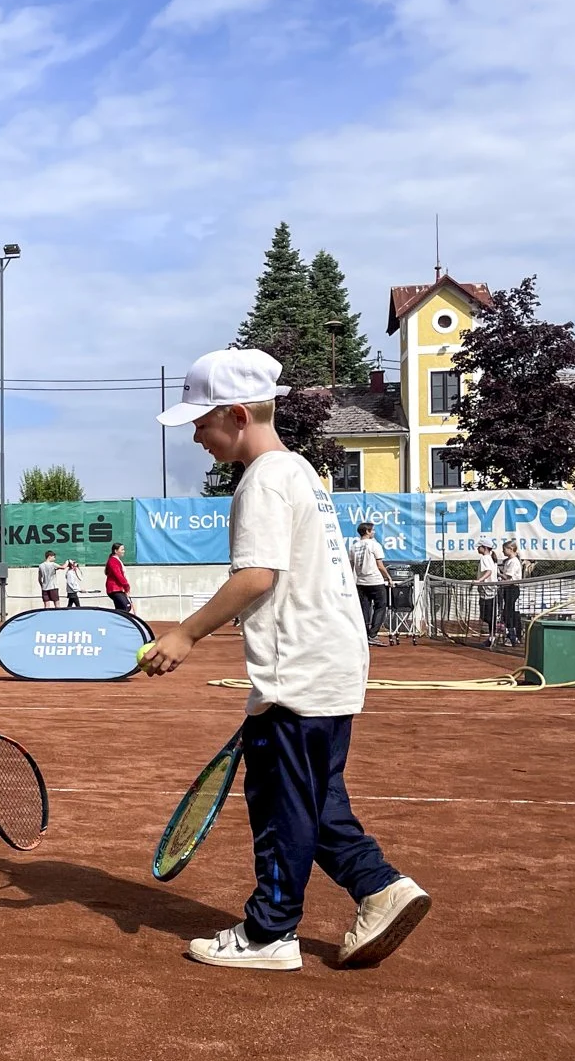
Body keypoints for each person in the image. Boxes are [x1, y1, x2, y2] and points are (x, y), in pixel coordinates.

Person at [144, 347, 430, 974]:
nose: (195, 434)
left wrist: (185, 635)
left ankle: (269, 933)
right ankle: (381, 889)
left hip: (296, 674)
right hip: (331, 665)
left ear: (237, 414)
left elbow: (257, 576)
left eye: (200, 421)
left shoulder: (263, 481)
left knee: (279, 805)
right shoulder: (300, 471)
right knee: (317, 799)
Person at [348, 521, 392, 644]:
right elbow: (380, 565)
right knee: (380, 606)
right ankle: (373, 635)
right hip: (375, 581)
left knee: (364, 608)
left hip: (360, 583)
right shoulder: (374, 545)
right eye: (372, 530)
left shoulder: (353, 546)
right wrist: (388, 577)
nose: (374, 532)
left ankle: (365, 635)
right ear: (367, 531)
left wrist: (352, 580)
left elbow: (351, 566)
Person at [498, 539, 524, 647]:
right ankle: (513, 635)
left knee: (509, 612)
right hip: (507, 588)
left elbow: (508, 577)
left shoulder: (514, 561)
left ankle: (513, 636)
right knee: (508, 612)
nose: (503, 552)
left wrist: (498, 573)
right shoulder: (508, 561)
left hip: (512, 589)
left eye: (504, 549)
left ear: (511, 549)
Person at [475, 541, 499, 645]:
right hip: (489, 591)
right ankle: (492, 637)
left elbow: (489, 571)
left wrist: (479, 580)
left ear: (484, 548)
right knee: (488, 616)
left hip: (488, 592)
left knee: (487, 616)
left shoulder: (485, 558)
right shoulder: (489, 559)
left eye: (479, 547)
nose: (477, 549)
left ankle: (494, 635)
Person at [104, 542, 131, 613]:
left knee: (120, 609)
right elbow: (118, 575)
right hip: (114, 589)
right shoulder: (113, 561)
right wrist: (126, 586)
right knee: (126, 607)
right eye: (122, 550)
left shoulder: (117, 560)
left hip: (118, 589)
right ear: (116, 551)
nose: (124, 551)